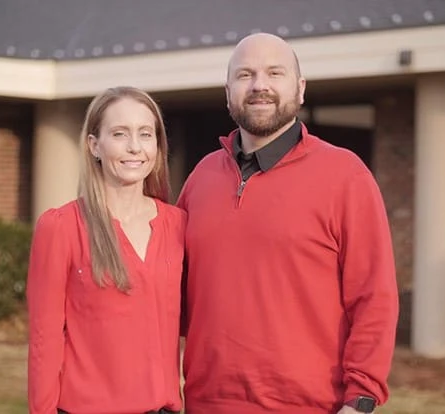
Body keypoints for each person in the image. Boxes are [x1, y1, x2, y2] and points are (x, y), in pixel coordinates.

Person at [176, 33, 399, 414]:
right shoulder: (201, 178)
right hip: (206, 404)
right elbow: (169, 295)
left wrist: (360, 400)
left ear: (300, 89)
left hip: (310, 406)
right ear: (227, 90)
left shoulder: (345, 176)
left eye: (274, 73)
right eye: (245, 74)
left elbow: (374, 297)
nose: (259, 85)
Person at [26, 86, 186, 414]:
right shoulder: (61, 227)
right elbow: (45, 340)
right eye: (119, 134)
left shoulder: (178, 225)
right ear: (94, 145)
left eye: (145, 134)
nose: (134, 147)